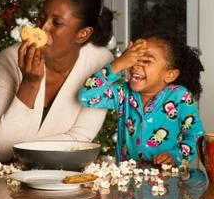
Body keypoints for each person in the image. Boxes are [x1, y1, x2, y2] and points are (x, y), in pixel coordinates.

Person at [0, 0, 114, 162]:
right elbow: (1, 150)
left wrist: (23, 148)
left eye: (56, 22)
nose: (43, 28)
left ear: (83, 34)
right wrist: (30, 83)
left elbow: (80, 139)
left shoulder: (100, 63)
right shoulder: (10, 58)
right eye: (41, 18)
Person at [78, 31, 205, 165]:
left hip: (168, 179)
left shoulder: (180, 96)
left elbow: (196, 136)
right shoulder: (122, 93)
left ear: (169, 75)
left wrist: (176, 155)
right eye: (133, 60)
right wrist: (118, 64)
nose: (135, 65)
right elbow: (86, 96)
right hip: (128, 178)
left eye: (146, 61)